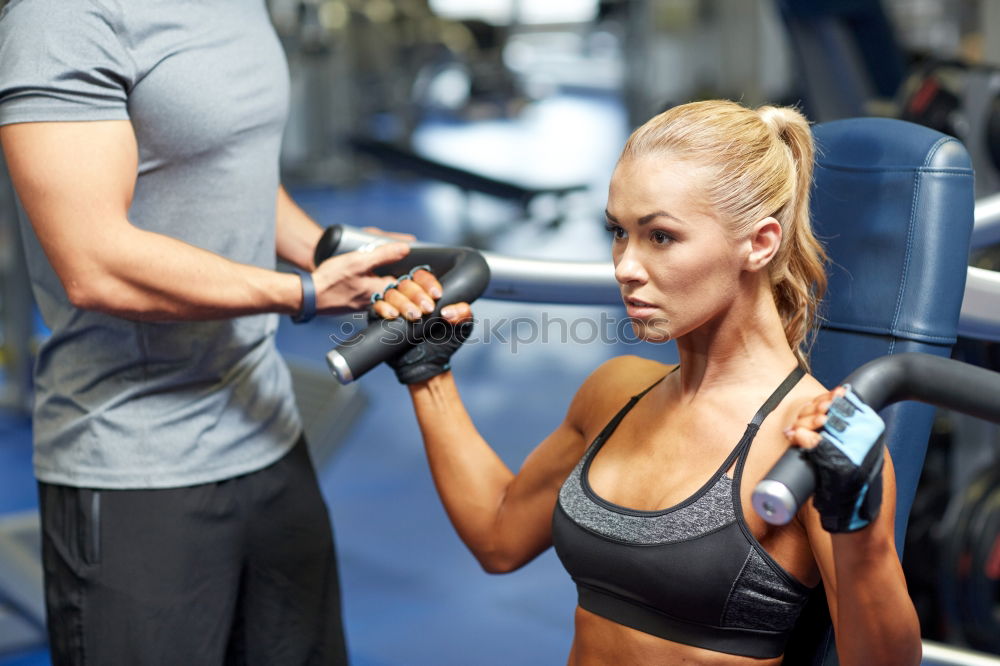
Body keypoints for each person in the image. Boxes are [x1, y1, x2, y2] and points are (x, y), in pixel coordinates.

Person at [371, 100, 922, 664]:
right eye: (618, 232)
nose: (625, 266)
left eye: (660, 237)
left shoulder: (808, 444)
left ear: (759, 243)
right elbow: (498, 537)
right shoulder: (616, 392)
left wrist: (861, 528)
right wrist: (427, 374)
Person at [0, 1, 443, 663]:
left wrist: (329, 250)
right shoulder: (62, 17)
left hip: (265, 428)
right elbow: (94, 264)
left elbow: (230, 164)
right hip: (134, 456)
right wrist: (304, 294)